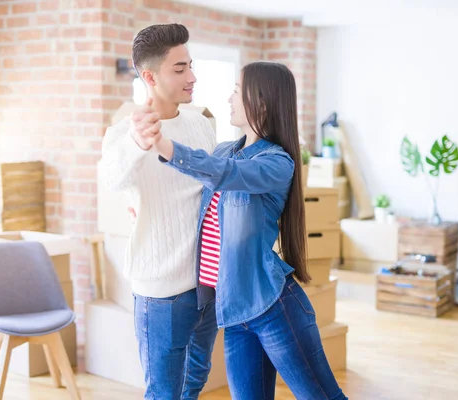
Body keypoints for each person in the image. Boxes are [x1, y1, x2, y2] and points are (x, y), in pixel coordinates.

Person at [137, 60, 348, 400]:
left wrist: (164, 145)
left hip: (274, 306)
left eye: (236, 90)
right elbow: (195, 190)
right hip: (233, 313)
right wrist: (137, 203)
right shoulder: (225, 151)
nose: (229, 98)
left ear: (260, 101)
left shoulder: (277, 163)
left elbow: (222, 173)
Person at [97, 24, 219, 400]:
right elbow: (112, 177)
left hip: (207, 285)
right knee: (164, 393)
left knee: (195, 381)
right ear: (149, 76)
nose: (192, 77)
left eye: (191, 66)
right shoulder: (124, 134)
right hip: (161, 293)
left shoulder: (200, 124)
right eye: (179, 69)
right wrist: (137, 142)